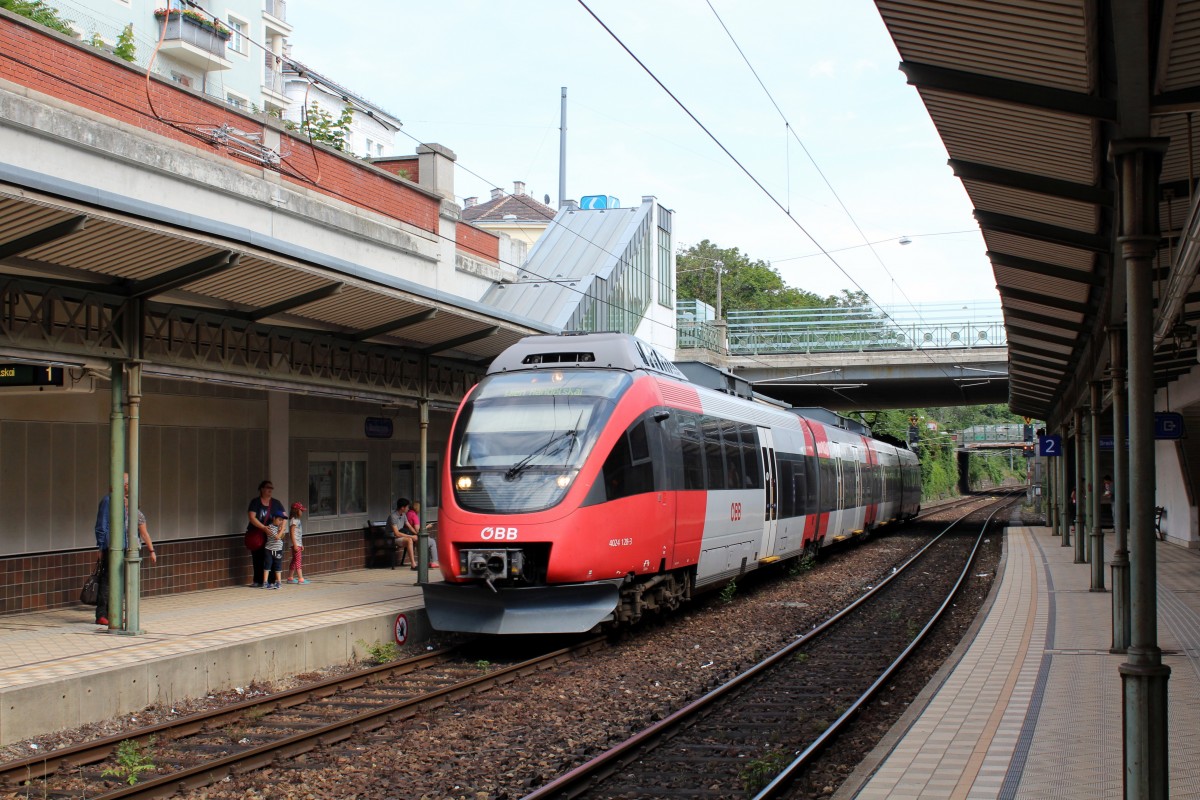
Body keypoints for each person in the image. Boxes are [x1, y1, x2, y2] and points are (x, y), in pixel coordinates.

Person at [93, 473, 156, 627]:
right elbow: (101, 525)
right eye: (128, 484)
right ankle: (102, 614)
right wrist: (101, 547)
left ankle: (113, 612)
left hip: (122, 546)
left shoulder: (122, 502)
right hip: (111, 546)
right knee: (107, 580)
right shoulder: (109, 501)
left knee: (118, 581)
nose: (129, 487)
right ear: (123, 485)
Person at [246, 481, 284, 587]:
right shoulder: (255, 502)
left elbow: (284, 517)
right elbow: (252, 517)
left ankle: (271, 581)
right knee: (258, 557)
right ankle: (258, 580)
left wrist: (281, 529)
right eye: (268, 487)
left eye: (272, 488)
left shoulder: (276, 503)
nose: (270, 490)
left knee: (272, 558)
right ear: (262, 489)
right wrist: (263, 527)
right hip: (258, 534)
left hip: (272, 536)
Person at [407, 501, 439, 569]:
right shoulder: (414, 516)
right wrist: (427, 527)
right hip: (415, 537)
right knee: (432, 542)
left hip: (409, 535)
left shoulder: (408, 514)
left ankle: (425, 562)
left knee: (427, 541)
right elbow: (418, 530)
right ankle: (434, 562)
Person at [388, 498, 417, 570]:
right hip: (392, 539)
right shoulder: (393, 516)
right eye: (407, 507)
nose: (408, 508)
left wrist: (417, 534)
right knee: (409, 540)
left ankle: (423, 562)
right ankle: (413, 565)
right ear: (402, 508)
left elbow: (409, 526)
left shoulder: (403, 515)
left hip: (399, 537)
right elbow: (396, 533)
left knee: (417, 538)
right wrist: (411, 536)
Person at [262, 512, 286, 589]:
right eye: (279, 519)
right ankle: (265, 582)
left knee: (278, 565)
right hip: (269, 549)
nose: (281, 522)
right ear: (274, 519)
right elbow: (277, 537)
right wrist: (282, 529)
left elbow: (282, 537)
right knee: (267, 565)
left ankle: (278, 582)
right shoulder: (270, 527)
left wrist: (281, 530)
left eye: (282, 520)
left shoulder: (279, 528)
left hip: (278, 549)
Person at [287, 502, 308, 584]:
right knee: (298, 560)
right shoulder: (293, 521)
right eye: (301, 510)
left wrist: (301, 544)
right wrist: (295, 544)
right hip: (295, 544)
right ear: (296, 511)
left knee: (294, 560)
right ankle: (300, 578)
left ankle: (290, 577)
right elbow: (292, 533)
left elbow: (298, 534)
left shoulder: (297, 520)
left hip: (298, 543)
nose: (302, 512)